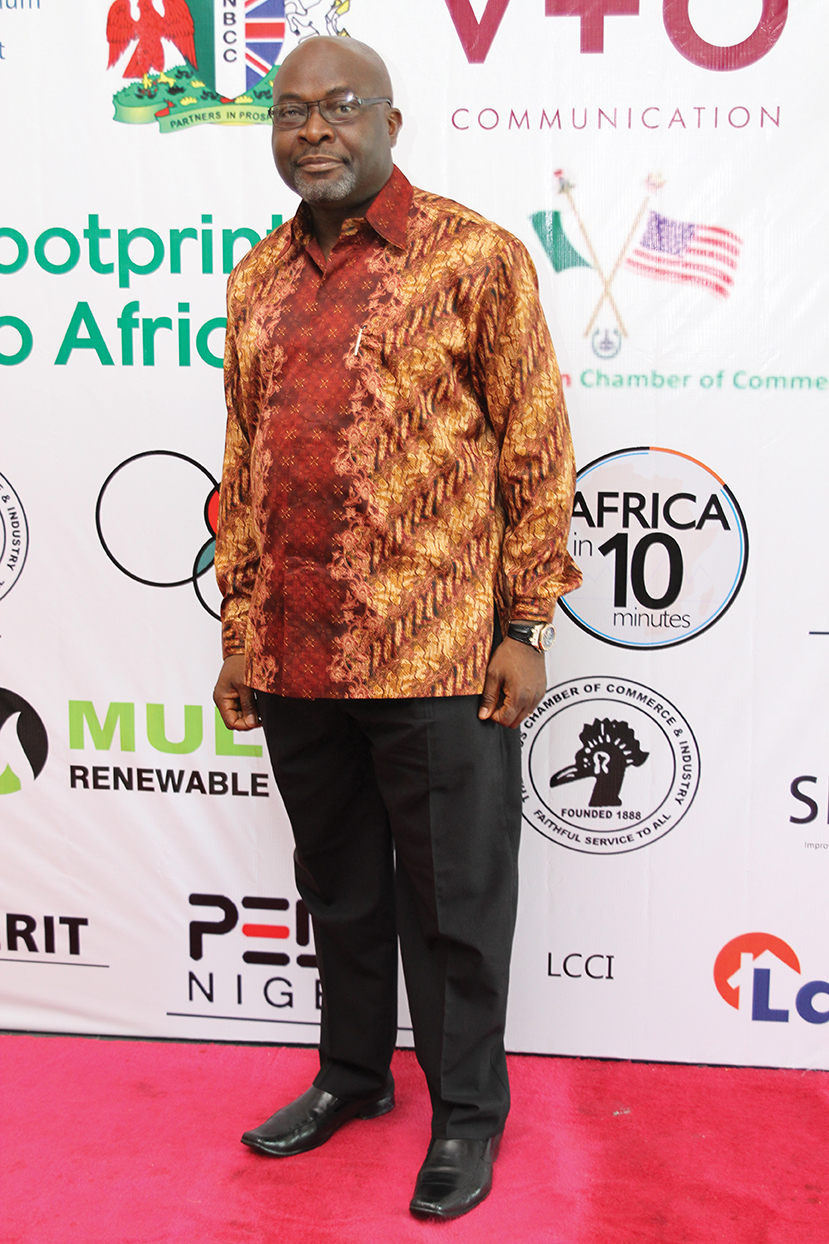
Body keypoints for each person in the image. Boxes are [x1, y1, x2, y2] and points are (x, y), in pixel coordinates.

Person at [213, 34, 581, 1221]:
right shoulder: (257, 279)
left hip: (439, 654)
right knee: (340, 889)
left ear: (389, 122)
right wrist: (241, 626)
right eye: (290, 112)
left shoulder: (474, 258)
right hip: (296, 654)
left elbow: (535, 450)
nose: (313, 130)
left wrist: (525, 621)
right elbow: (244, 463)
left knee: (455, 904)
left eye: (339, 108)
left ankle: (467, 1112)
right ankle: (352, 1075)